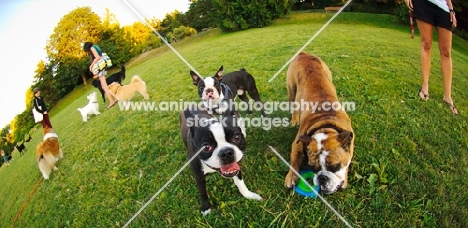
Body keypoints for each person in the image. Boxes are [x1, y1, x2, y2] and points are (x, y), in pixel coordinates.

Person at [406, 0, 458, 114]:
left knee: (446, 52)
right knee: (426, 44)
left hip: (443, 8)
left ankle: (447, 96)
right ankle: (425, 87)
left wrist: (451, 9)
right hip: (423, 4)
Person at [83, 42, 118, 108]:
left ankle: (112, 101)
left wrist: (91, 65)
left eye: (87, 50)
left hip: (100, 68)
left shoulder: (92, 48)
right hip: (103, 66)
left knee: (104, 86)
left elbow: (97, 57)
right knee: (104, 85)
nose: (88, 52)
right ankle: (114, 98)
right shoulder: (95, 46)